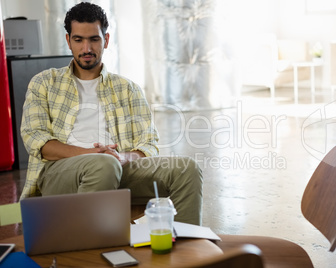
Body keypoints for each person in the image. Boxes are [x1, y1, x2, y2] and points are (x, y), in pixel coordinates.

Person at [20, 2, 203, 225]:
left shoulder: (128, 88)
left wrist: (122, 157)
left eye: (94, 39)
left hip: (117, 166)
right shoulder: (44, 83)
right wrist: (93, 155)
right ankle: (87, 246)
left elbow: (149, 143)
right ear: (68, 41)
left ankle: (189, 251)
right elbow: (37, 141)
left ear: (105, 40)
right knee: (103, 165)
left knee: (187, 169)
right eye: (78, 40)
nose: (86, 48)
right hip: (60, 173)